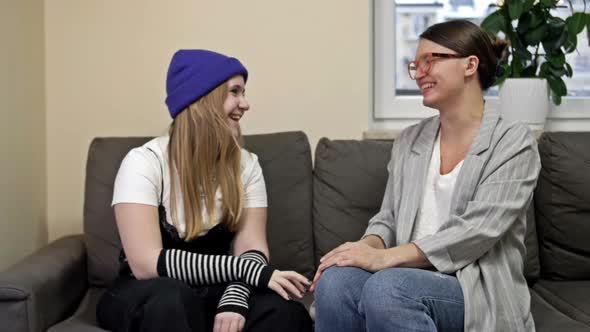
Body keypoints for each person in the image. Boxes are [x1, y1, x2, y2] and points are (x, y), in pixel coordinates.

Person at [311, 20, 541, 332]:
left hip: (473, 287)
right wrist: (366, 248)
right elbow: (389, 217)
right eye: (415, 65)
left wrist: (387, 259)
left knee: (389, 288)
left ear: (470, 65)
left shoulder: (513, 142)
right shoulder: (410, 140)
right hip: (404, 275)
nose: (419, 73)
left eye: (429, 61)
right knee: (336, 281)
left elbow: (477, 231)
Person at [96, 49, 313, 332]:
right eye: (235, 92)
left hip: (216, 288)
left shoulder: (247, 165)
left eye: (243, 92)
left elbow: (251, 247)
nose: (245, 104)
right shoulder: (143, 162)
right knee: (172, 300)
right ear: (202, 100)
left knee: (286, 313)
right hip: (149, 291)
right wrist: (249, 271)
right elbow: (146, 263)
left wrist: (235, 297)